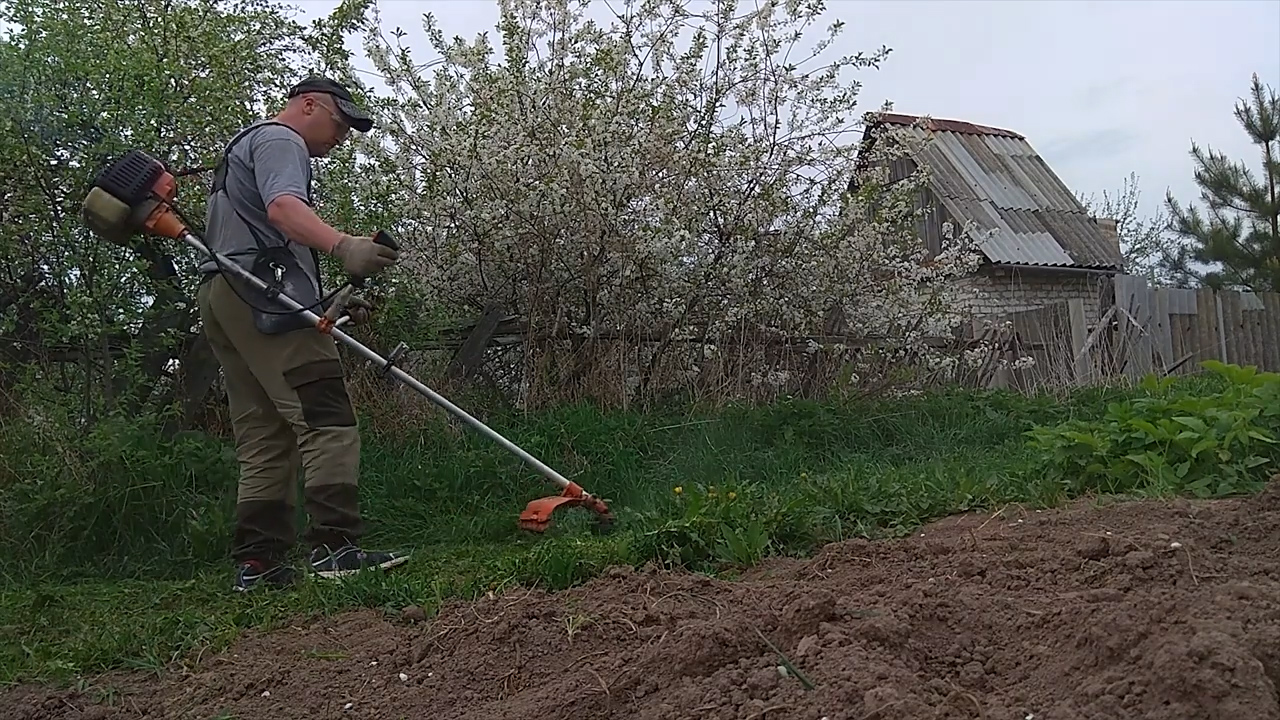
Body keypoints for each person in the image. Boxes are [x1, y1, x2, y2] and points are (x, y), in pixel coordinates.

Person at [196, 75, 409, 592]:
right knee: (326, 416)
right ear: (308, 105)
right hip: (260, 295)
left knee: (264, 433)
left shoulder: (241, 148)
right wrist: (345, 247)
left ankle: (258, 564)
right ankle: (336, 549)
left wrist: (323, 301)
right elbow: (284, 210)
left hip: (226, 295)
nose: (342, 137)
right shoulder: (279, 139)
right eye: (339, 122)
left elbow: (254, 234)